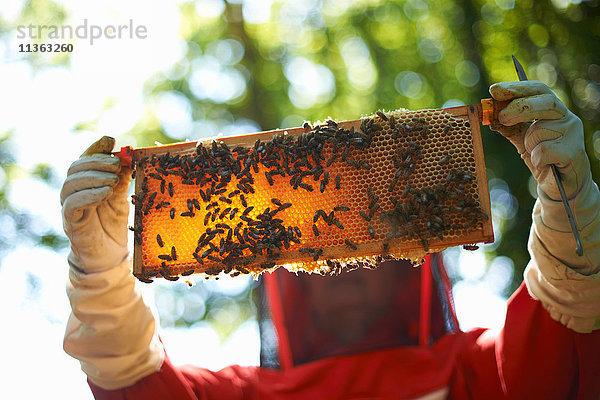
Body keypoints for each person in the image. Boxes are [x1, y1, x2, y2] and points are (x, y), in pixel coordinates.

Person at [61, 81, 600, 399]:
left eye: (364, 255)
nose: (345, 277)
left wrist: (569, 215)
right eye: (324, 265)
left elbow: (558, 334)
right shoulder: (245, 395)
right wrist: (103, 278)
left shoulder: (474, 369)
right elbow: (136, 381)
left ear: (405, 265)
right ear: (292, 273)